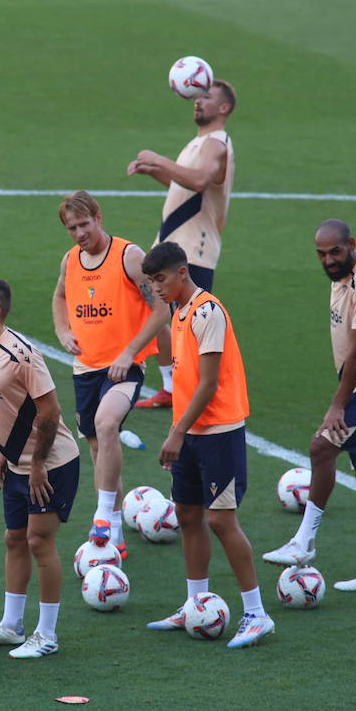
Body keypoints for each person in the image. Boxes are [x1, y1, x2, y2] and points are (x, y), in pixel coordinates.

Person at [139, 241, 273, 649]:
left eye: (160, 280)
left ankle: (256, 613)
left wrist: (176, 431)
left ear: (182, 272)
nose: (156, 289)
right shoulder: (178, 312)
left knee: (220, 520)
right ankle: (195, 602)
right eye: (151, 282)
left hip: (218, 433)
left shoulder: (207, 311)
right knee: (188, 515)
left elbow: (210, 382)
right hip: (193, 433)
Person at [264, 220, 356, 593]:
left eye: (335, 252)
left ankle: (304, 542)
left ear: (351, 244)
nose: (328, 260)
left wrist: (337, 405)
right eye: (321, 254)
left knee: (321, 447)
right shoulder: (342, 276)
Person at [0, 277, 80, 659]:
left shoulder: (21, 354)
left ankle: (47, 635)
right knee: (13, 539)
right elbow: (8, 407)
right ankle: (12, 626)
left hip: (51, 463)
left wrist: (39, 464)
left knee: (39, 542)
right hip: (16, 462)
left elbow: (49, 411)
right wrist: (3, 451)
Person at [51, 190, 167, 555]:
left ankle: (102, 517)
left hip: (125, 367)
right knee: (100, 449)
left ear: (98, 217)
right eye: (73, 227)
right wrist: (62, 330)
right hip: (86, 367)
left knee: (105, 424)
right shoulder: (70, 261)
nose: (80, 233)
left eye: (84, 224)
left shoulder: (129, 257)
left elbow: (162, 308)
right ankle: (115, 535)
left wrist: (130, 352)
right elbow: (59, 297)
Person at [127, 79, 238, 410]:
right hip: (173, 242)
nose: (198, 101)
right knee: (161, 311)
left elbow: (201, 180)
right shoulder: (200, 142)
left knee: (192, 323)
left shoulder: (216, 144)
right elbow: (188, 185)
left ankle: (201, 391)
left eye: (207, 97)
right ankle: (172, 387)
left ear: (224, 108)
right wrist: (155, 172)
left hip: (193, 249)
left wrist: (159, 159)